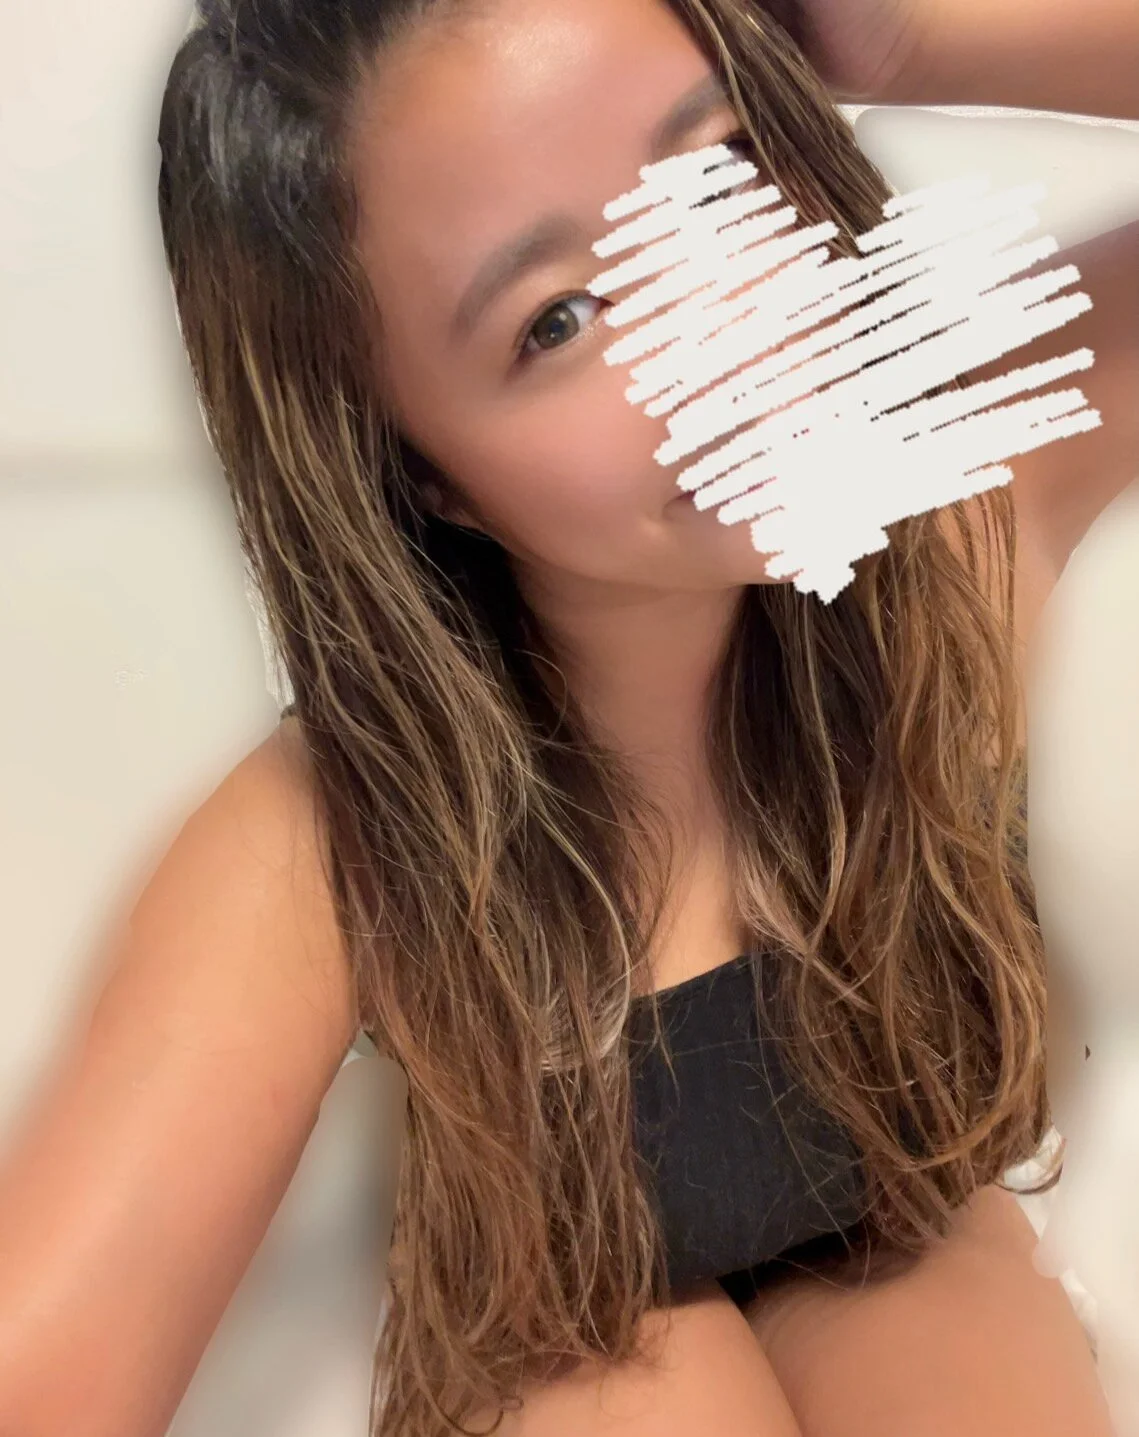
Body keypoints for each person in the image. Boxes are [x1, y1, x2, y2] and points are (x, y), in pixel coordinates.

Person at [0, 0, 1135, 1434]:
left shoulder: (961, 508)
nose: (725, 328)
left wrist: (911, 45)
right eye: (559, 319)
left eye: (718, 174)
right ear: (421, 476)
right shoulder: (338, 839)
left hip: (904, 1215)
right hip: (562, 1306)